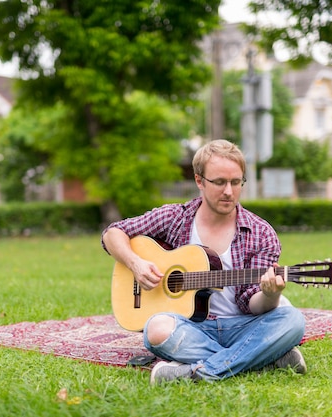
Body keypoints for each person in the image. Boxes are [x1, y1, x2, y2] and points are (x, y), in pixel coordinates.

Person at [101, 139, 306, 384]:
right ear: (199, 181)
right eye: (219, 182)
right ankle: (263, 359)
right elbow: (112, 233)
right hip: (191, 328)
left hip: (243, 326)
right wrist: (136, 263)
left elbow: (252, 304)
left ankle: (196, 373)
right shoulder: (174, 217)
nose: (229, 191)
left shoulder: (262, 233)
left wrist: (271, 293)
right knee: (155, 329)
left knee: (293, 320)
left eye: (236, 182)